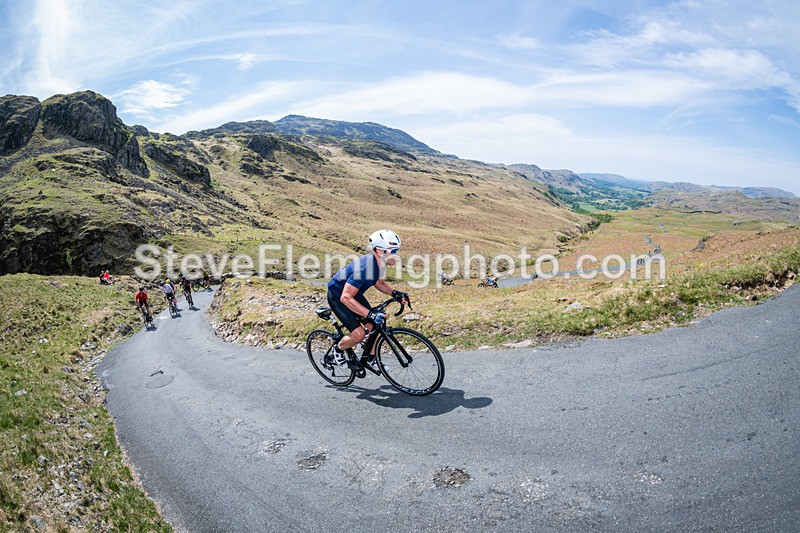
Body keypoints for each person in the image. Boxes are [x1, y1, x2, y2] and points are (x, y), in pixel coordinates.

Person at [327, 229, 409, 372]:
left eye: (396, 251)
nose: (396, 255)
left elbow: (378, 283)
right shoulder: (364, 268)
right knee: (359, 334)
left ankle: (370, 359)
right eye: (393, 251)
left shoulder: (379, 263)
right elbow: (345, 297)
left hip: (354, 295)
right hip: (338, 296)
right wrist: (370, 314)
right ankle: (338, 349)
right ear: (379, 251)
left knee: (374, 326)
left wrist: (395, 293)